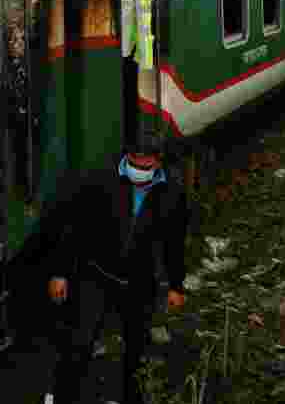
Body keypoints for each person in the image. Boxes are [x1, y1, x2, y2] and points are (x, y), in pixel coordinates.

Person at [45, 152, 189, 404]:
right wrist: (60, 273)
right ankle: (61, 396)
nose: (139, 169)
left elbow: (173, 244)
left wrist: (176, 285)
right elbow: (74, 228)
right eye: (134, 163)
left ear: (158, 162)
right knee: (79, 343)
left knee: (135, 351)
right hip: (97, 275)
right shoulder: (101, 180)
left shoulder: (172, 194)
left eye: (146, 164)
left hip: (139, 283)